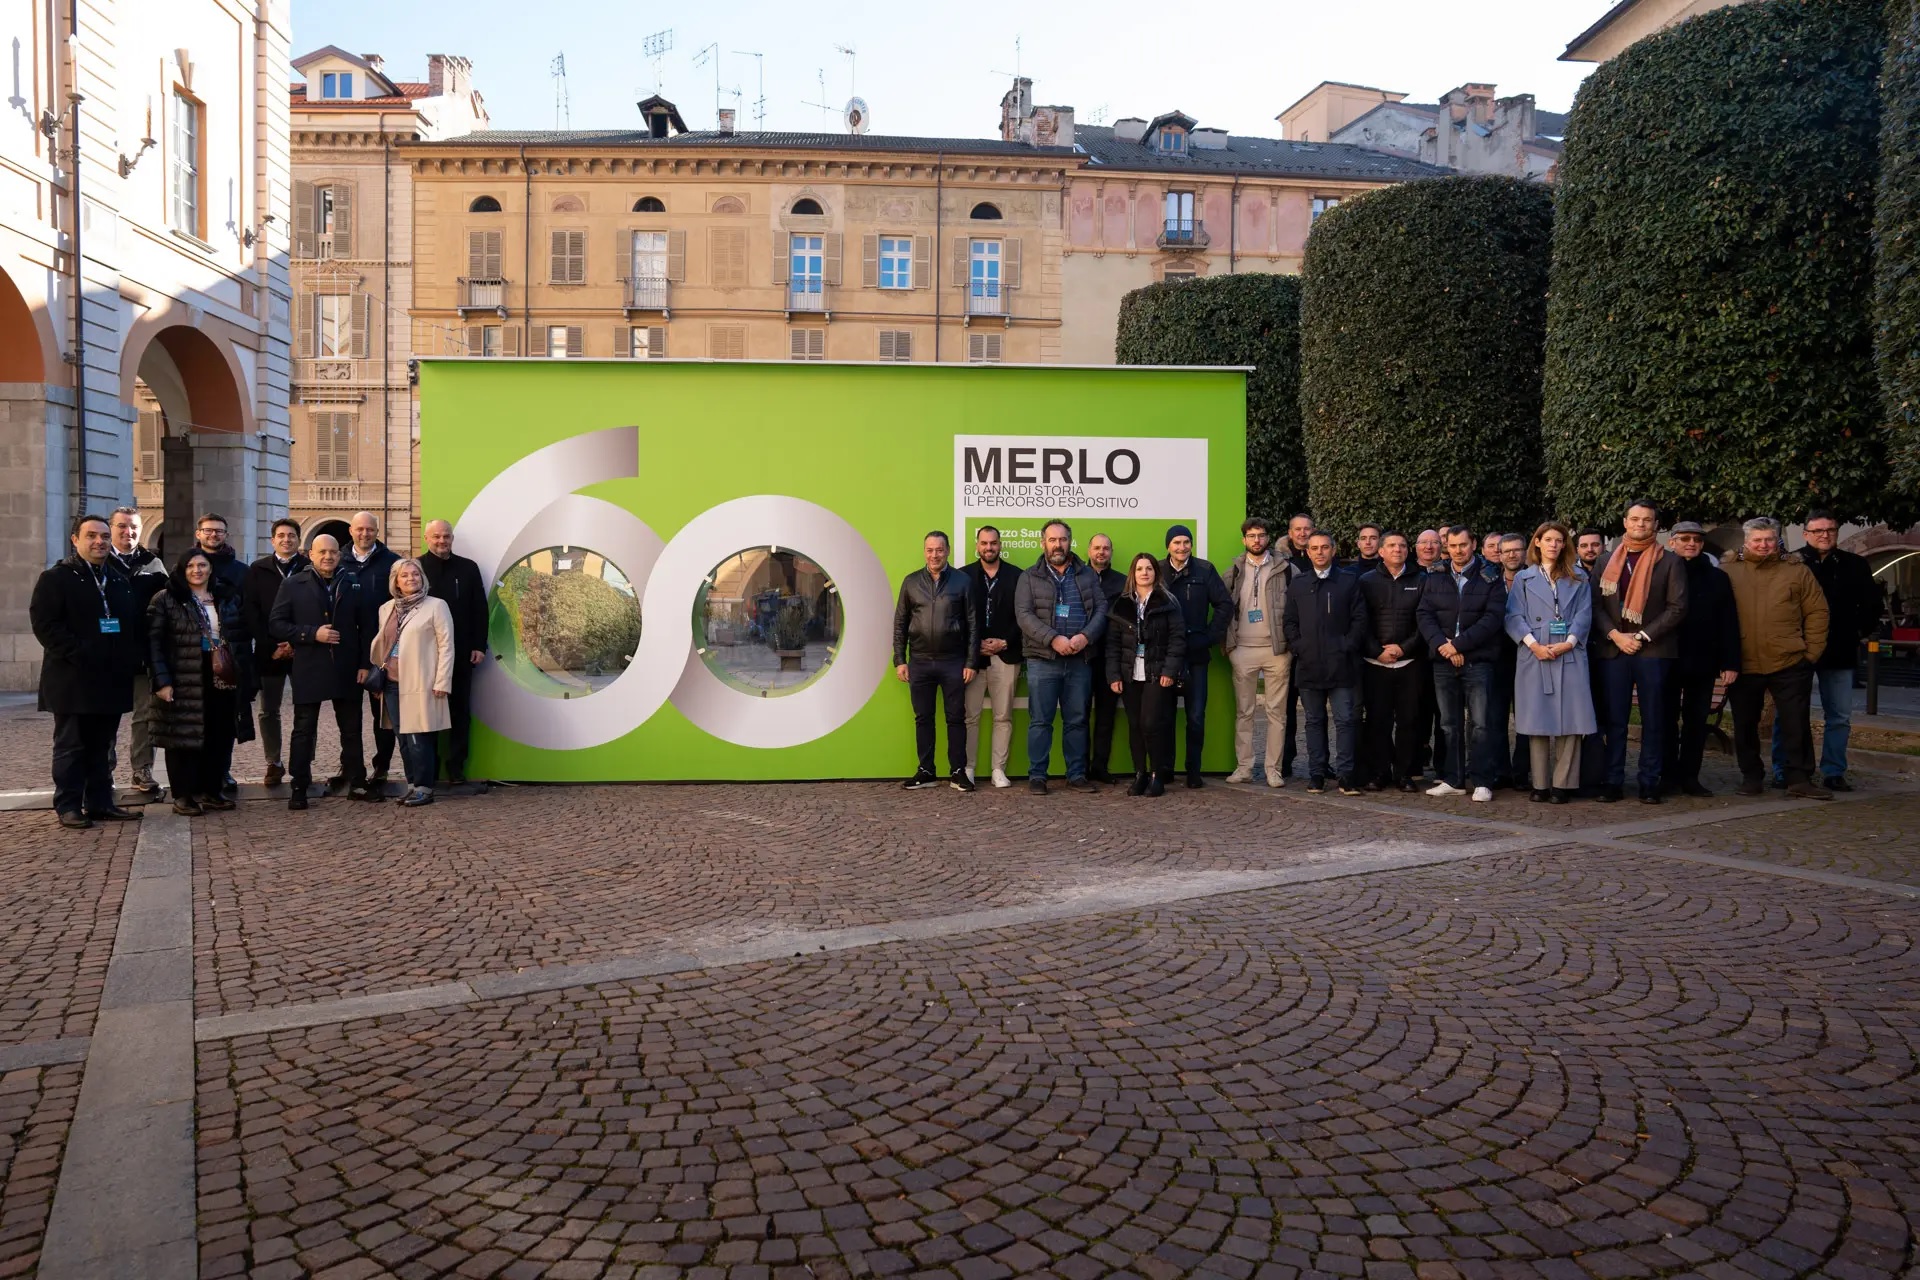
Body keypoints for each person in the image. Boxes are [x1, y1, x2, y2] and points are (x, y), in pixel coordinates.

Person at [30, 514, 142, 829]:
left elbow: (129, 626)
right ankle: (68, 805)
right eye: (91, 536)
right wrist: (81, 653)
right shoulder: (56, 578)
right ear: (75, 539)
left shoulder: (119, 579)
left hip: (110, 679)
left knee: (101, 745)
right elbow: (45, 625)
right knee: (72, 745)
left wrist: (127, 658)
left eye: (105, 537)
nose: (99, 542)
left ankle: (100, 802)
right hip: (73, 678)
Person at [1723, 517, 1830, 799]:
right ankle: (1751, 777)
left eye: (1769, 539)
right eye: (1757, 540)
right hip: (1744, 661)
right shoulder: (1729, 571)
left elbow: (1818, 611)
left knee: (1796, 723)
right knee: (1745, 724)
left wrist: (1811, 652)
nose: (1763, 545)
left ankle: (1799, 778)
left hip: (1790, 660)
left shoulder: (1797, 571)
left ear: (1778, 541)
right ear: (1746, 542)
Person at [1592, 500, 1689, 804]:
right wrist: (1616, 636)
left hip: (1654, 651)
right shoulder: (1606, 560)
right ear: (1624, 522)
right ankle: (1613, 781)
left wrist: (1642, 635)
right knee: (1615, 719)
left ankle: (1650, 781)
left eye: (1647, 520)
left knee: (1654, 719)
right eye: (1635, 519)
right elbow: (1594, 605)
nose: (1640, 524)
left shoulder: (1670, 561)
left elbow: (1678, 607)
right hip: (1614, 650)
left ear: (1656, 525)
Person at [1774, 510, 1878, 791]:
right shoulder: (1791, 563)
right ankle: (1785, 769)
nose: (1825, 535)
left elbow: (1871, 606)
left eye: (1830, 529)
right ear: (1806, 534)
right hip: (1797, 650)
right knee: (1789, 714)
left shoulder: (1855, 565)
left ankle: (1833, 771)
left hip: (1839, 650)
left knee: (1840, 716)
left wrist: (1856, 632)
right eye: (1818, 531)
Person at [147, 548, 253, 816]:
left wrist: (244, 674)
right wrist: (162, 681)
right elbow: (154, 643)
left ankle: (211, 790)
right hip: (184, 674)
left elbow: (238, 635)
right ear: (182, 570)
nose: (197, 570)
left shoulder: (224, 597)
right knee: (182, 736)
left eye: (203, 565)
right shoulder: (166, 599)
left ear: (210, 568)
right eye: (191, 565)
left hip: (220, 672)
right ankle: (183, 795)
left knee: (219, 734)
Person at [270, 533, 371, 810]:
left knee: (351, 729)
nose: (328, 556)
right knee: (303, 730)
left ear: (340, 555)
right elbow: (276, 624)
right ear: (310, 554)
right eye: (322, 552)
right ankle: (299, 786)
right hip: (310, 666)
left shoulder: (352, 583)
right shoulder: (293, 584)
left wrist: (364, 664)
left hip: (347, 666)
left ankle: (358, 782)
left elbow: (365, 629)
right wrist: (312, 634)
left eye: (333, 552)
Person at [1504, 522, 1596, 804]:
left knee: (1572, 720)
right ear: (1538, 543)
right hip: (1535, 652)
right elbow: (1513, 616)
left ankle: (1563, 784)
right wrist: (1533, 644)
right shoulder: (1523, 579)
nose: (1554, 544)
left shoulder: (1579, 577)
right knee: (1537, 720)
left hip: (1568, 651)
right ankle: (1540, 783)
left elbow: (1584, 614)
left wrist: (1569, 642)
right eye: (1548, 539)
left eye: (1559, 540)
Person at [1014, 519, 1107, 794]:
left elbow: (1102, 610)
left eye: (1063, 539)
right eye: (1052, 540)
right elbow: (1024, 615)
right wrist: (1053, 638)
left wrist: (1084, 637)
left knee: (1077, 720)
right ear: (1043, 543)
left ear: (1070, 542)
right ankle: (1037, 776)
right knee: (1040, 720)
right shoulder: (1029, 577)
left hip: (1080, 660)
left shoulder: (1087, 575)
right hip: (1043, 660)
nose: (1058, 544)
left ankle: (1076, 774)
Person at [1418, 526, 1508, 802]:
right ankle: (1453, 779)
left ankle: (1482, 780)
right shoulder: (1435, 574)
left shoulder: (1491, 576)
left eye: (1463, 545)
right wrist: (1443, 646)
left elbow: (1492, 620)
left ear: (1474, 545)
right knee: (1449, 724)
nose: (1458, 550)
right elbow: (1424, 614)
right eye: (1453, 546)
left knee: (1481, 723)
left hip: (1477, 660)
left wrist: (1459, 645)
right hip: (1443, 660)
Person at [892, 530, 979, 790]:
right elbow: (900, 623)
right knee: (923, 718)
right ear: (924, 552)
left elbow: (974, 625)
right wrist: (900, 659)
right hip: (919, 661)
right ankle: (926, 770)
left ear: (948, 551)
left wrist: (971, 662)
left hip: (953, 661)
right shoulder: (910, 582)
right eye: (930, 550)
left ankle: (958, 771)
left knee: (955, 718)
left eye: (939, 549)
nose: (934, 555)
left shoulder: (962, 582)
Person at [1284, 530, 1368, 795]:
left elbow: (1359, 619)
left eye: (1324, 547)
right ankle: (1317, 774)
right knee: (1313, 721)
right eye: (1314, 548)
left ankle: (1345, 775)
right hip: (1309, 665)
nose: (1319, 552)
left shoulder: (1347, 581)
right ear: (1307, 552)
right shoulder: (1298, 583)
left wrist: (1346, 646)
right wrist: (1299, 646)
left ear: (1333, 550)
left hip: (1341, 665)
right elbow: (1289, 621)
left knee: (1345, 721)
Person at [1661, 522, 1741, 797]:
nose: (1691, 543)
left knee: (1696, 723)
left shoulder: (1717, 578)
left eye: (1696, 539)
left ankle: (1690, 776)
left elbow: (1728, 621)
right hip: (1666, 659)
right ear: (1672, 542)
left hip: (1703, 660)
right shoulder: (1660, 572)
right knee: (1665, 720)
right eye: (1685, 539)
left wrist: (1730, 662)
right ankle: (1668, 775)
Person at [370, 558, 455, 807]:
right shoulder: (387, 608)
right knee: (403, 738)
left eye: (415, 574)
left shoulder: (436, 606)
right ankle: (411, 785)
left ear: (422, 578)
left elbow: (446, 645)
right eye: (404, 575)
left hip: (422, 681)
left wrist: (442, 680)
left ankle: (425, 788)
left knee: (419, 738)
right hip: (392, 682)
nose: (411, 579)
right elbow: (384, 644)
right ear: (396, 581)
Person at [1105, 552, 1186, 796]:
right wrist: (1114, 675)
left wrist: (1169, 671)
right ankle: (1139, 773)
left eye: (1148, 568)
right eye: (1139, 569)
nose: (1144, 573)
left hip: (1157, 673)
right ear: (1133, 573)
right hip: (1130, 673)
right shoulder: (1122, 603)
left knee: (1151, 724)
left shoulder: (1167, 601)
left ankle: (1157, 774)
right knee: (1135, 725)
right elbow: (1112, 644)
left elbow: (1177, 639)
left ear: (1155, 573)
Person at [1222, 517, 1295, 786]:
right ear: (1244, 540)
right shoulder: (1234, 570)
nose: (1257, 540)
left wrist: (1290, 646)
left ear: (1267, 538)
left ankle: (1273, 769)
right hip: (1242, 649)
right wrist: (1228, 646)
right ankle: (1244, 767)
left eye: (1261, 535)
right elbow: (1223, 607)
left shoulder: (1286, 569)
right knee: (1245, 712)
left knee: (1277, 713)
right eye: (1251, 536)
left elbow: (1296, 607)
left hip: (1277, 650)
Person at [418, 520, 488, 783]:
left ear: (452, 538)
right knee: (430, 714)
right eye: (436, 536)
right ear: (426, 538)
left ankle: (456, 767)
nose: (441, 541)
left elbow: (479, 609)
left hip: (461, 653)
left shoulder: (468, 568)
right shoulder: (416, 568)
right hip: (426, 655)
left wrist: (479, 645)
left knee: (460, 712)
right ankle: (430, 769)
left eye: (446, 536)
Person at [1161, 524, 1231, 787]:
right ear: (1168, 546)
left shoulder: (1204, 569)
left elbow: (1225, 604)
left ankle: (1193, 770)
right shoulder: (1157, 570)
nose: (1181, 547)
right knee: (1164, 715)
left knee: (1196, 716)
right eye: (1176, 542)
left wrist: (1210, 637)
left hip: (1196, 654)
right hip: (1166, 656)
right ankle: (1165, 768)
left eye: (1186, 542)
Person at [1358, 531, 1427, 792]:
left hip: (1409, 663)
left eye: (1402, 545)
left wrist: (1403, 648)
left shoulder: (1422, 580)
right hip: (1375, 663)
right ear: (1381, 551)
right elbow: (1359, 622)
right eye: (1391, 545)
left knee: (1409, 721)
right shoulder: (1365, 581)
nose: (1397, 549)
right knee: (1378, 721)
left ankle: (1404, 773)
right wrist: (1377, 651)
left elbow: (1425, 622)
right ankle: (1379, 772)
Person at [106, 506, 167, 800]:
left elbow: (167, 606)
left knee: (144, 716)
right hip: (109, 655)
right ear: (111, 528)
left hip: (143, 655)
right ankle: (103, 771)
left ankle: (142, 770)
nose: (127, 532)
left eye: (133, 527)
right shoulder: (99, 562)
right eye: (121, 526)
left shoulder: (153, 564)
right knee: (106, 714)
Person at [243, 519, 309, 787]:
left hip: (303, 648)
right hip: (269, 652)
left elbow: (313, 609)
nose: (286, 539)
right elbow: (252, 611)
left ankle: (302, 763)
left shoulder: (309, 568)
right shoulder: (258, 570)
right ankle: (274, 761)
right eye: (281, 535)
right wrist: (271, 646)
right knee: (268, 709)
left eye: (291, 535)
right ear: (272, 540)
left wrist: (295, 642)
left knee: (306, 709)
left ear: (298, 540)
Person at [336, 512, 401, 783]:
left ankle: (381, 766)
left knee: (381, 716)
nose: (365, 534)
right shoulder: (336, 560)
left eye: (370, 530)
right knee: (347, 717)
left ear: (377, 531)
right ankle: (349, 766)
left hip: (380, 652)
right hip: (346, 650)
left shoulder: (392, 562)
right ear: (351, 530)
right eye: (360, 529)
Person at [961, 525, 1022, 788]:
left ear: (1000, 545)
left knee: (1003, 716)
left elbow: (1024, 617)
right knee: (970, 716)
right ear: (977, 546)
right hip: (973, 658)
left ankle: (999, 769)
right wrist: (975, 646)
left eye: (993, 543)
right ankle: (969, 768)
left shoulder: (1018, 576)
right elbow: (957, 617)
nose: (989, 548)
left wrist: (1004, 642)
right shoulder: (962, 577)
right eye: (984, 543)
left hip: (1006, 655)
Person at [1085, 533, 1127, 783]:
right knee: (1078, 716)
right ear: (1089, 550)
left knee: (1106, 715)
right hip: (1081, 657)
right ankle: (1078, 770)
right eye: (1097, 548)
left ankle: (1100, 767)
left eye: (1106, 548)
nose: (1101, 552)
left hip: (1111, 659)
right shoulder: (1076, 577)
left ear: (1111, 552)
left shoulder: (1123, 583)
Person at [1491, 532, 1530, 787]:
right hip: (1496, 657)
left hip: (1528, 654)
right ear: (1500, 555)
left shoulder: (1536, 579)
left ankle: (1522, 772)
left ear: (1525, 551)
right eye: (1507, 551)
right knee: (1496, 717)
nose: (1512, 555)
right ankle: (1501, 770)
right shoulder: (1489, 581)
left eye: (1517, 550)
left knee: (1526, 717)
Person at [194, 512, 249, 596]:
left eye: (219, 531)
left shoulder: (243, 571)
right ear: (198, 534)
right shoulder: (184, 567)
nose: (213, 534)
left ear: (226, 536)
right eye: (208, 530)